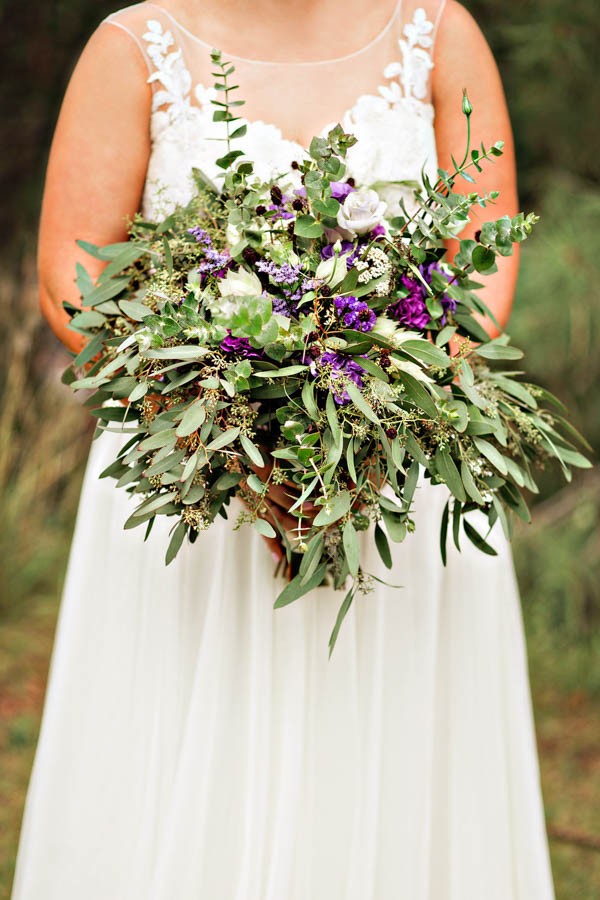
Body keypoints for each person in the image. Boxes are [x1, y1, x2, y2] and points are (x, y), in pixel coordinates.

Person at [12, 1, 556, 897]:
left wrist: (396, 400)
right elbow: (72, 270)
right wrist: (221, 422)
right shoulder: (132, 44)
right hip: (195, 488)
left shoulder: (437, 30)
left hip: (396, 481)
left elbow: (482, 245)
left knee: (389, 758)